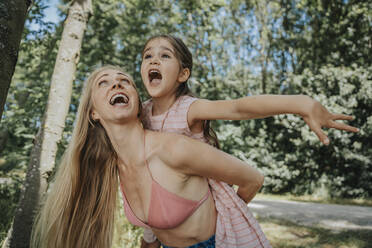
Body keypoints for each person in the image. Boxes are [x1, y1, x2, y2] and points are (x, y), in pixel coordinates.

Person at [139, 34, 359, 247]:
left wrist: (301, 103)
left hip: (209, 235)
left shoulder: (188, 108)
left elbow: (239, 107)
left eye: (165, 55)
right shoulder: (140, 114)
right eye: (147, 56)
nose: (154, 59)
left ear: (183, 74)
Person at [31, 65, 270, 248]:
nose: (117, 85)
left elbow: (254, 179)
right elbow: (156, 222)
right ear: (93, 113)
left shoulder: (173, 149)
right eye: (104, 83)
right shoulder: (111, 166)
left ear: (138, 105)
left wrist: (226, 217)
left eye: (124, 81)